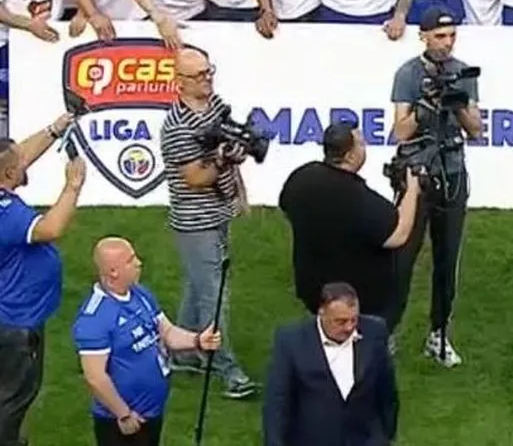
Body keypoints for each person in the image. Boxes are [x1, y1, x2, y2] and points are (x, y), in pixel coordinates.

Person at [157, 47, 258, 398]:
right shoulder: (176, 127)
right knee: (215, 296)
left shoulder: (215, 106)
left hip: (218, 212)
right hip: (195, 221)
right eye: (199, 75)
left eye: (208, 71)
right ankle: (227, 368)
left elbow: (230, 149)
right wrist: (221, 159)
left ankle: (184, 352)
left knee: (197, 285)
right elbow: (195, 178)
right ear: (180, 82)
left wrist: (239, 189)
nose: (207, 79)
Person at [389, 8, 481, 367]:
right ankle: (388, 330)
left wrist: (457, 103)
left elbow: (476, 129)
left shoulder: (463, 72)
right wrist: (427, 103)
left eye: (451, 36)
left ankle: (439, 333)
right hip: (416, 173)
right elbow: (400, 131)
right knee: (402, 255)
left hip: (452, 171)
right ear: (423, 36)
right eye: (440, 36)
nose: (447, 43)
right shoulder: (408, 74)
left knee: (447, 257)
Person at [72, 237, 222, 446]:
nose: (138, 263)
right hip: (123, 422)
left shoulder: (140, 294)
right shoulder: (94, 319)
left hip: (152, 413)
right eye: (130, 260)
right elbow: (95, 377)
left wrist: (197, 340)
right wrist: (123, 414)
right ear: (113, 272)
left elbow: (166, 332)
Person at [278, 122, 418, 340]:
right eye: (361, 143)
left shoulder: (301, 177)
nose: (364, 147)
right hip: (359, 300)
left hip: (313, 290)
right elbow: (397, 235)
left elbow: (286, 207)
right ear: (350, 156)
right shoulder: (358, 198)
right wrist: (413, 189)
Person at [0, 112, 83, 446]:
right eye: (19, 165)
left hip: (9, 317)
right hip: (16, 322)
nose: (26, 163)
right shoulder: (6, 212)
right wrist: (73, 186)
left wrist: (54, 129)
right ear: (9, 174)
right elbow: (51, 228)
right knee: (13, 398)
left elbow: (15, 157)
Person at [263, 282, 398, 446]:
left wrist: (384, 435)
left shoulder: (375, 331)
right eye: (341, 321)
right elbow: (278, 400)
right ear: (322, 313)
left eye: (354, 319)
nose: (349, 327)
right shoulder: (291, 341)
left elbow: (387, 390)